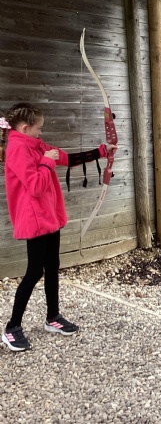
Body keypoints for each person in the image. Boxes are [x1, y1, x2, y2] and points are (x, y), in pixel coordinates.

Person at [1, 102, 117, 352]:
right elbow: (35, 186)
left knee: (52, 266)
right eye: (38, 128)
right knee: (34, 272)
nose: (41, 132)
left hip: (48, 216)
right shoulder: (18, 149)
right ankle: (12, 327)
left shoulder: (35, 144)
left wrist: (101, 151)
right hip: (35, 219)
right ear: (24, 128)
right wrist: (46, 162)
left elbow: (65, 158)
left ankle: (52, 317)